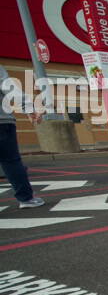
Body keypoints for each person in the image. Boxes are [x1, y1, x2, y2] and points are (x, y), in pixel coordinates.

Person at [0, 65, 45, 207]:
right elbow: (9, 87)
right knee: (11, 161)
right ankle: (26, 199)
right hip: (2, 122)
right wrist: (29, 108)